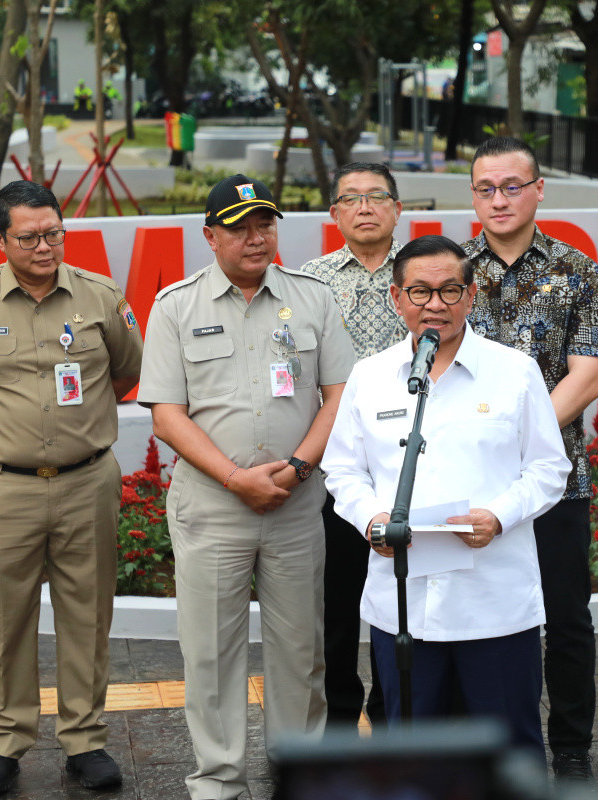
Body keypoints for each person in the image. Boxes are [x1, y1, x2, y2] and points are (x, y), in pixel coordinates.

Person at [0, 180, 144, 794]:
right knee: (5, 619)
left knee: (88, 613)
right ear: (0, 239)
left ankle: (85, 741)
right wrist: (6, 432)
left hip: (86, 482)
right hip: (2, 488)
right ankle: (3, 745)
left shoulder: (99, 298)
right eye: (28, 237)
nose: (45, 247)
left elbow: (127, 372)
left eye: (53, 233)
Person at [138, 174, 355, 800]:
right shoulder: (175, 306)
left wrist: (298, 469)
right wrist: (236, 478)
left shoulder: (313, 298)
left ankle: (300, 775)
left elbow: (340, 395)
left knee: (300, 650)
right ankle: (219, 781)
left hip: (294, 502)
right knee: (210, 654)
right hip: (212, 507)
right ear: (210, 236)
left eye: (264, 224)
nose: (255, 238)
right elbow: (166, 414)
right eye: (238, 227)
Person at [322, 234, 571, 754]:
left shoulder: (514, 371)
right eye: (419, 291)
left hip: (494, 602)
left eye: (449, 290)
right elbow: (343, 470)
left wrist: (499, 517)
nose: (435, 303)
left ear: (471, 295)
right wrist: (372, 519)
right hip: (404, 603)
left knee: (509, 752)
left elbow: (549, 468)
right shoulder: (370, 377)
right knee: (411, 755)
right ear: (397, 299)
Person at [462, 136, 598, 779]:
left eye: (512, 186)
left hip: (558, 482)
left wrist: (520, 440)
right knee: (479, 621)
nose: (499, 200)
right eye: (486, 189)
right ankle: (486, 748)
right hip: (471, 485)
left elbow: (588, 375)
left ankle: (572, 753)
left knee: (567, 622)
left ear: (538, 189)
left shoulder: (577, 269)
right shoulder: (454, 273)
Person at [299, 162, 406, 732]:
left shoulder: (425, 273)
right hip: (332, 469)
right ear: (334, 213)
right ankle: (339, 718)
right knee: (335, 606)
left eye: (377, 197)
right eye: (351, 199)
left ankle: (394, 715)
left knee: (400, 599)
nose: (365, 208)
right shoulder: (307, 282)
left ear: (397, 208)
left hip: (406, 467)